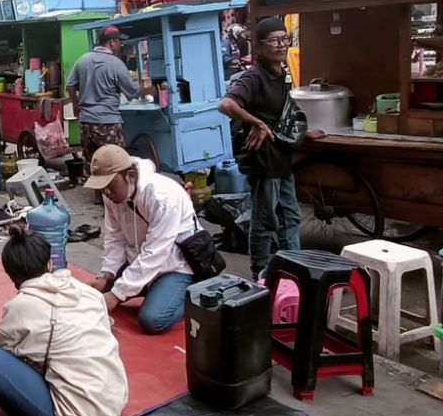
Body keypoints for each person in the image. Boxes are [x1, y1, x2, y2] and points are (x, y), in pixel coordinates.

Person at [0, 225, 128, 416]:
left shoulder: (20, 306)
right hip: (114, 406)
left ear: (12, 279)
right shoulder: (87, 291)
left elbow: (4, 356)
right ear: (50, 263)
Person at [219, 17, 325, 276]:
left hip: (282, 157)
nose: (281, 45)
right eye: (274, 40)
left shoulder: (279, 73)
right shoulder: (254, 76)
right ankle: (260, 272)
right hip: (264, 161)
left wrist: (304, 133)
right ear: (258, 47)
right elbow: (227, 105)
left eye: (284, 39)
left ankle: (294, 268)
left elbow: (282, 110)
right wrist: (255, 122)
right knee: (265, 220)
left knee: (290, 216)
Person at [84, 145, 198, 335]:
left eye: (110, 186)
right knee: (95, 295)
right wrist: (107, 275)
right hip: (138, 260)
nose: (106, 193)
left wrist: (117, 293)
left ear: (129, 176)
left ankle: (191, 295)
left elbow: (156, 252)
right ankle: (147, 288)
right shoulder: (111, 195)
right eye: (102, 188)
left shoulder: (163, 197)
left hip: (174, 265)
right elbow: (115, 237)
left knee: (152, 320)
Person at [65, 25, 152, 186]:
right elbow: (133, 92)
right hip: (108, 123)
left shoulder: (83, 60)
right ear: (111, 42)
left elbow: (70, 85)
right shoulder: (116, 64)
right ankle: (116, 199)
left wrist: (76, 105)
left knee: (94, 164)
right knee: (116, 164)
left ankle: (99, 197)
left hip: (86, 123)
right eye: (119, 41)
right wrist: (151, 90)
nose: (121, 45)